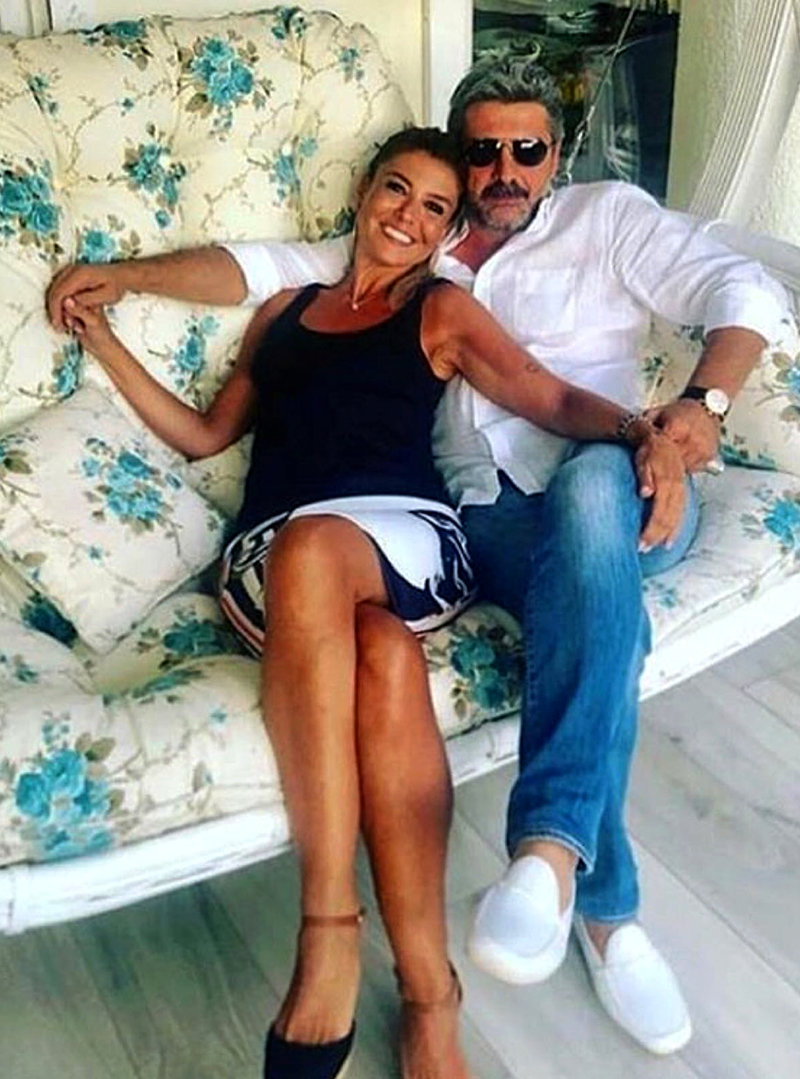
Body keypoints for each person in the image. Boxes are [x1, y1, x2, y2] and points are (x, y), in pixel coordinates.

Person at [51, 125, 687, 1079]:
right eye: (397, 189)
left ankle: (328, 933)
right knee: (380, 654)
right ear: (365, 192)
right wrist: (103, 337)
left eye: (435, 208)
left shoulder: (439, 310)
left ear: (446, 231)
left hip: (405, 536)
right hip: (273, 553)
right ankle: (431, 993)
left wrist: (644, 433)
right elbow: (206, 434)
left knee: (319, 546)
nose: (408, 216)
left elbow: (549, 399)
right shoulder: (286, 313)